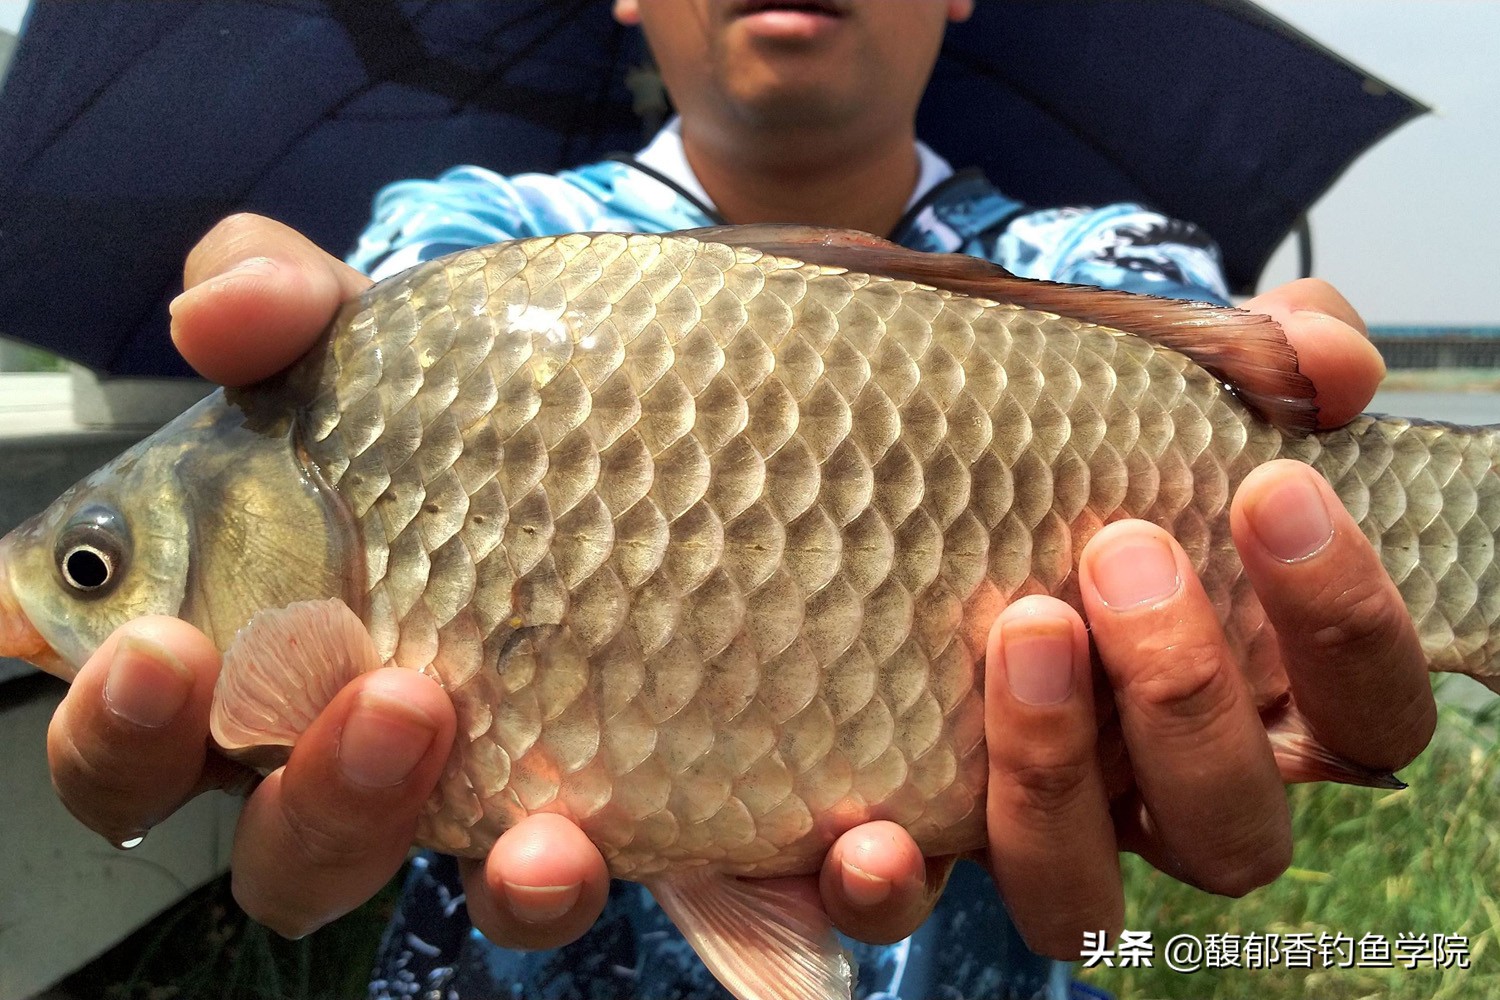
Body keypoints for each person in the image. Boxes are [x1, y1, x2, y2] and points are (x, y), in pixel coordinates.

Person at [46, 2, 1436, 998]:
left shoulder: (1108, 264)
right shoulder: (446, 264)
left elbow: (1254, 367)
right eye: (94, 570)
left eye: (92, 569)